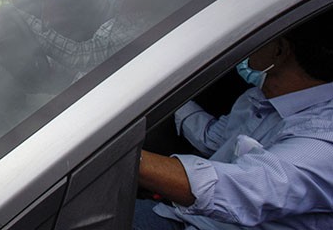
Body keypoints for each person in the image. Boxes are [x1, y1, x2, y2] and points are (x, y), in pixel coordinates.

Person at [134, 12, 333, 229]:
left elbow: (238, 189)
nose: (250, 44)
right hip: (183, 217)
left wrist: (132, 160)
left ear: (278, 50)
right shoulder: (258, 98)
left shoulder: (321, 141)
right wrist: (169, 96)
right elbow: (214, 139)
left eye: (259, 35)